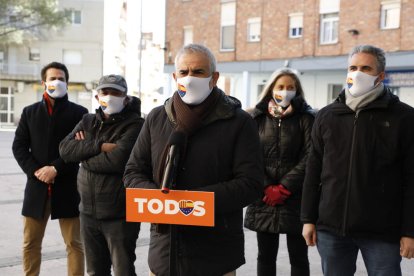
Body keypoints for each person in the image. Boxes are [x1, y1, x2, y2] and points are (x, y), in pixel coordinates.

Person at [123, 43, 263, 276]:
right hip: (164, 256)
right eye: (184, 72)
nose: (189, 79)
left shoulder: (239, 122)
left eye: (198, 72)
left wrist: (193, 203)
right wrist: (161, 201)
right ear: (174, 76)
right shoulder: (157, 118)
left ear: (214, 77)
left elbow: (251, 183)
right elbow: (133, 172)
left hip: (216, 256)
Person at [301, 44, 414, 275]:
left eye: (365, 68)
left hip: (383, 231)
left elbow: (411, 179)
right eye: (353, 67)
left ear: (380, 76)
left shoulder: (404, 117)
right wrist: (308, 218)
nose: (357, 73)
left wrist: (409, 231)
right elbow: (313, 170)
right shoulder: (327, 116)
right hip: (331, 228)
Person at [59, 74, 144, 276]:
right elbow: (64, 150)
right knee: (96, 271)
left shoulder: (136, 125)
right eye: (105, 92)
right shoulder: (88, 121)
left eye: (116, 92)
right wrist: (100, 146)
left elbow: (118, 160)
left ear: (126, 98)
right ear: (97, 97)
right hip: (88, 214)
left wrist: (83, 153)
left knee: (123, 270)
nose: (110, 96)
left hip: (120, 216)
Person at [12, 61, 87, 276]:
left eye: (61, 79)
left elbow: (81, 149)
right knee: (30, 243)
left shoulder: (80, 114)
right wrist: (37, 171)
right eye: (52, 78)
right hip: (36, 187)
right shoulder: (30, 112)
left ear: (67, 82)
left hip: (67, 186)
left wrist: (55, 168)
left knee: (74, 244)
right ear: (43, 82)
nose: (57, 82)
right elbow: (19, 146)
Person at [244, 68, 314, 276]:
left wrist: (284, 187)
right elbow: (249, 155)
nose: (285, 91)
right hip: (264, 197)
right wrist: (266, 187)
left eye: (290, 87)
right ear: (271, 89)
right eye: (280, 87)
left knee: (299, 257)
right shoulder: (255, 117)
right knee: (265, 256)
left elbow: (311, 155)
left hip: (296, 196)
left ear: (297, 90)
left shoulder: (307, 118)